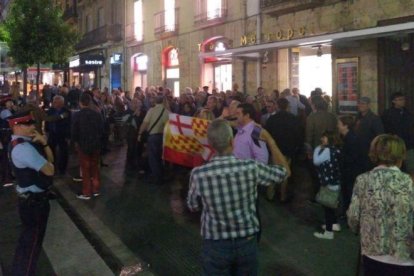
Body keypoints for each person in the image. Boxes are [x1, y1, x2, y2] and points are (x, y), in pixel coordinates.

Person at [187, 119, 290, 275]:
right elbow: (284, 171)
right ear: (231, 141)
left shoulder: (198, 174)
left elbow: (192, 205)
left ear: (211, 143)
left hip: (215, 243)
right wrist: (270, 141)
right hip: (246, 242)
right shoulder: (250, 168)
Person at [347, 134, 414, 275]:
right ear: (400, 155)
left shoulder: (362, 180)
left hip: (372, 254)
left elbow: (353, 218)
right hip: (405, 257)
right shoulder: (409, 182)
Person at [8, 112, 55, 275]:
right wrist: (45, 147)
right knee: (31, 246)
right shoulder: (24, 149)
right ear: (17, 127)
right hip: (34, 204)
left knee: (28, 244)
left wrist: (45, 144)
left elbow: (51, 163)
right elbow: (50, 170)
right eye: (28, 124)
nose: (33, 127)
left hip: (31, 201)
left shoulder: (19, 144)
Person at [71, 93, 104, 199]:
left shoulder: (78, 115)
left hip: (83, 144)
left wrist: (75, 142)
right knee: (95, 167)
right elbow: (102, 129)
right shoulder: (97, 114)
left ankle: (86, 192)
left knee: (85, 169)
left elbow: (74, 131)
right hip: (96, 144)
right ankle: (96, 189)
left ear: (80, 103)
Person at [313, 130, 342, 239]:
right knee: (332, 204)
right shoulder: (337, 149)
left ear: (329, 138)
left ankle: (328, 232)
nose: (322, 139)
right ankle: (334, 224)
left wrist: (317, 149)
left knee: (327, 207)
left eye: (324, 137)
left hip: (329, 182)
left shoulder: (327, 150)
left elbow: (316, 161)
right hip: (336, 181)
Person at [138, 93, 169, 185]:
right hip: (162, 137)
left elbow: (145, 123)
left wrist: (139, 133)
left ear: (155, 101)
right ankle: (160, 175)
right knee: (160, 157)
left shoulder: (151, 110)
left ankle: (157, 178)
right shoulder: (166, 111)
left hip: (152, 136)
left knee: (153, 158)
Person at [382, 92, 414, 178]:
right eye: (399, 100)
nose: (402, 101)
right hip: (394, 145)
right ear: (394, 101)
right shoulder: (387, 114)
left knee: (410, 168)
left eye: (403, 99)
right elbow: (384, 129)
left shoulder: (408, 113)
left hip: (408, 145)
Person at [337, 115, 364, 213]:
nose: (337, 126)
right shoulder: (346, 137)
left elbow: (352, 157)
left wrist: (339, 155)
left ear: (345, 126)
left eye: (339, 124)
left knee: (349, 193)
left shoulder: (351, 139)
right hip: (347, 171)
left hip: (351, 172)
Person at [354, 96, 384, 171]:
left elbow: (380, 136)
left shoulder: (374, 119)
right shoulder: (357, 117)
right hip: (357, 152)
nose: (361, 105)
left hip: (368, 152)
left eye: (363, 103)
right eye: (359, 103)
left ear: (368, 105)